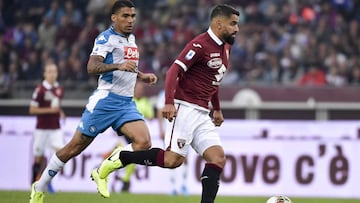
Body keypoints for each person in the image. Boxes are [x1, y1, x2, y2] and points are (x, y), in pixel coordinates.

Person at [95, 4, 239, 203]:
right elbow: (173, 71)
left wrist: (217, 108)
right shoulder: (200, 45)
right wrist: (169, 103)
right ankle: (120, 158)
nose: (236, 29)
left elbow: (213, 80)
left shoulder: (226, 47)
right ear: (218, 23)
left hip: (202, 112)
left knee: (218, 158)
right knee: (172, 161)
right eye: (232, 24)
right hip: (183, 107)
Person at [29, 1, 158, 202]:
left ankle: (103, 170)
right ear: (114, 18)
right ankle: (40, 186)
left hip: (125, 103)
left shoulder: (131, 38)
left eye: (132, 16)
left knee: (144, 142)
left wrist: (142, 76)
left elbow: (127, 67)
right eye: (125, 16)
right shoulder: (105, 38)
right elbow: (92, 67)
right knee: (73, 148)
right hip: (105, 102)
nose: (130, 20)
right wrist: (117, 65)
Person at [103, 81, 155, 193]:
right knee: (123, 155)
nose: (140, 91)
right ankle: (108, 165)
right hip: (126, 134)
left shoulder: (145, 102)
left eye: (142, 89)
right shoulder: (129, 101)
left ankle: (125, 180)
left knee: (132, 159)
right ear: (134, 89)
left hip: (137, 137)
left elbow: (150, 116)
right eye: (138, 88)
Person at [29, 62, 66, 194]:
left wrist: (59, 112)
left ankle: (47, 181)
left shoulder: (59, 89)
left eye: (54, 71)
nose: (52, 74)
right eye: (50, 71)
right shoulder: (40, 90)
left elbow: (55, 106)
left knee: (61, 155)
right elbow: (32, 110)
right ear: (45, 74)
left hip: (55, 128)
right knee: (38, 158)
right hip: (42, 129)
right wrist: (51, 110)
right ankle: (34, 183)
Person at [156, 89, 188, 196]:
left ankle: (183, 185)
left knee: (184, 158)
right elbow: (160, 111)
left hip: (184, 130)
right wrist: (161, 129)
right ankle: (173, 187)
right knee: (169, 158)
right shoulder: (164, 93)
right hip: (169, 131)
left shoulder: (186, 89)